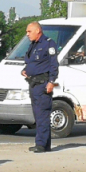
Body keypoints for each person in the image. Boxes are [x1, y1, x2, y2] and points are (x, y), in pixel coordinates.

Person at [21, 21, 58, 153]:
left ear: (38, 31)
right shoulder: (33, 45)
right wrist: (25, 70)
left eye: (29, 31)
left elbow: (54, 65)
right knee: (38, 115)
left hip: (43, 84)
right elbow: (31, 62)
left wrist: (51, 81)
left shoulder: (48, 43)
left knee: (42, 114)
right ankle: (44, 144)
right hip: (33, 84)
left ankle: (41, 144)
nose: (27, 34)